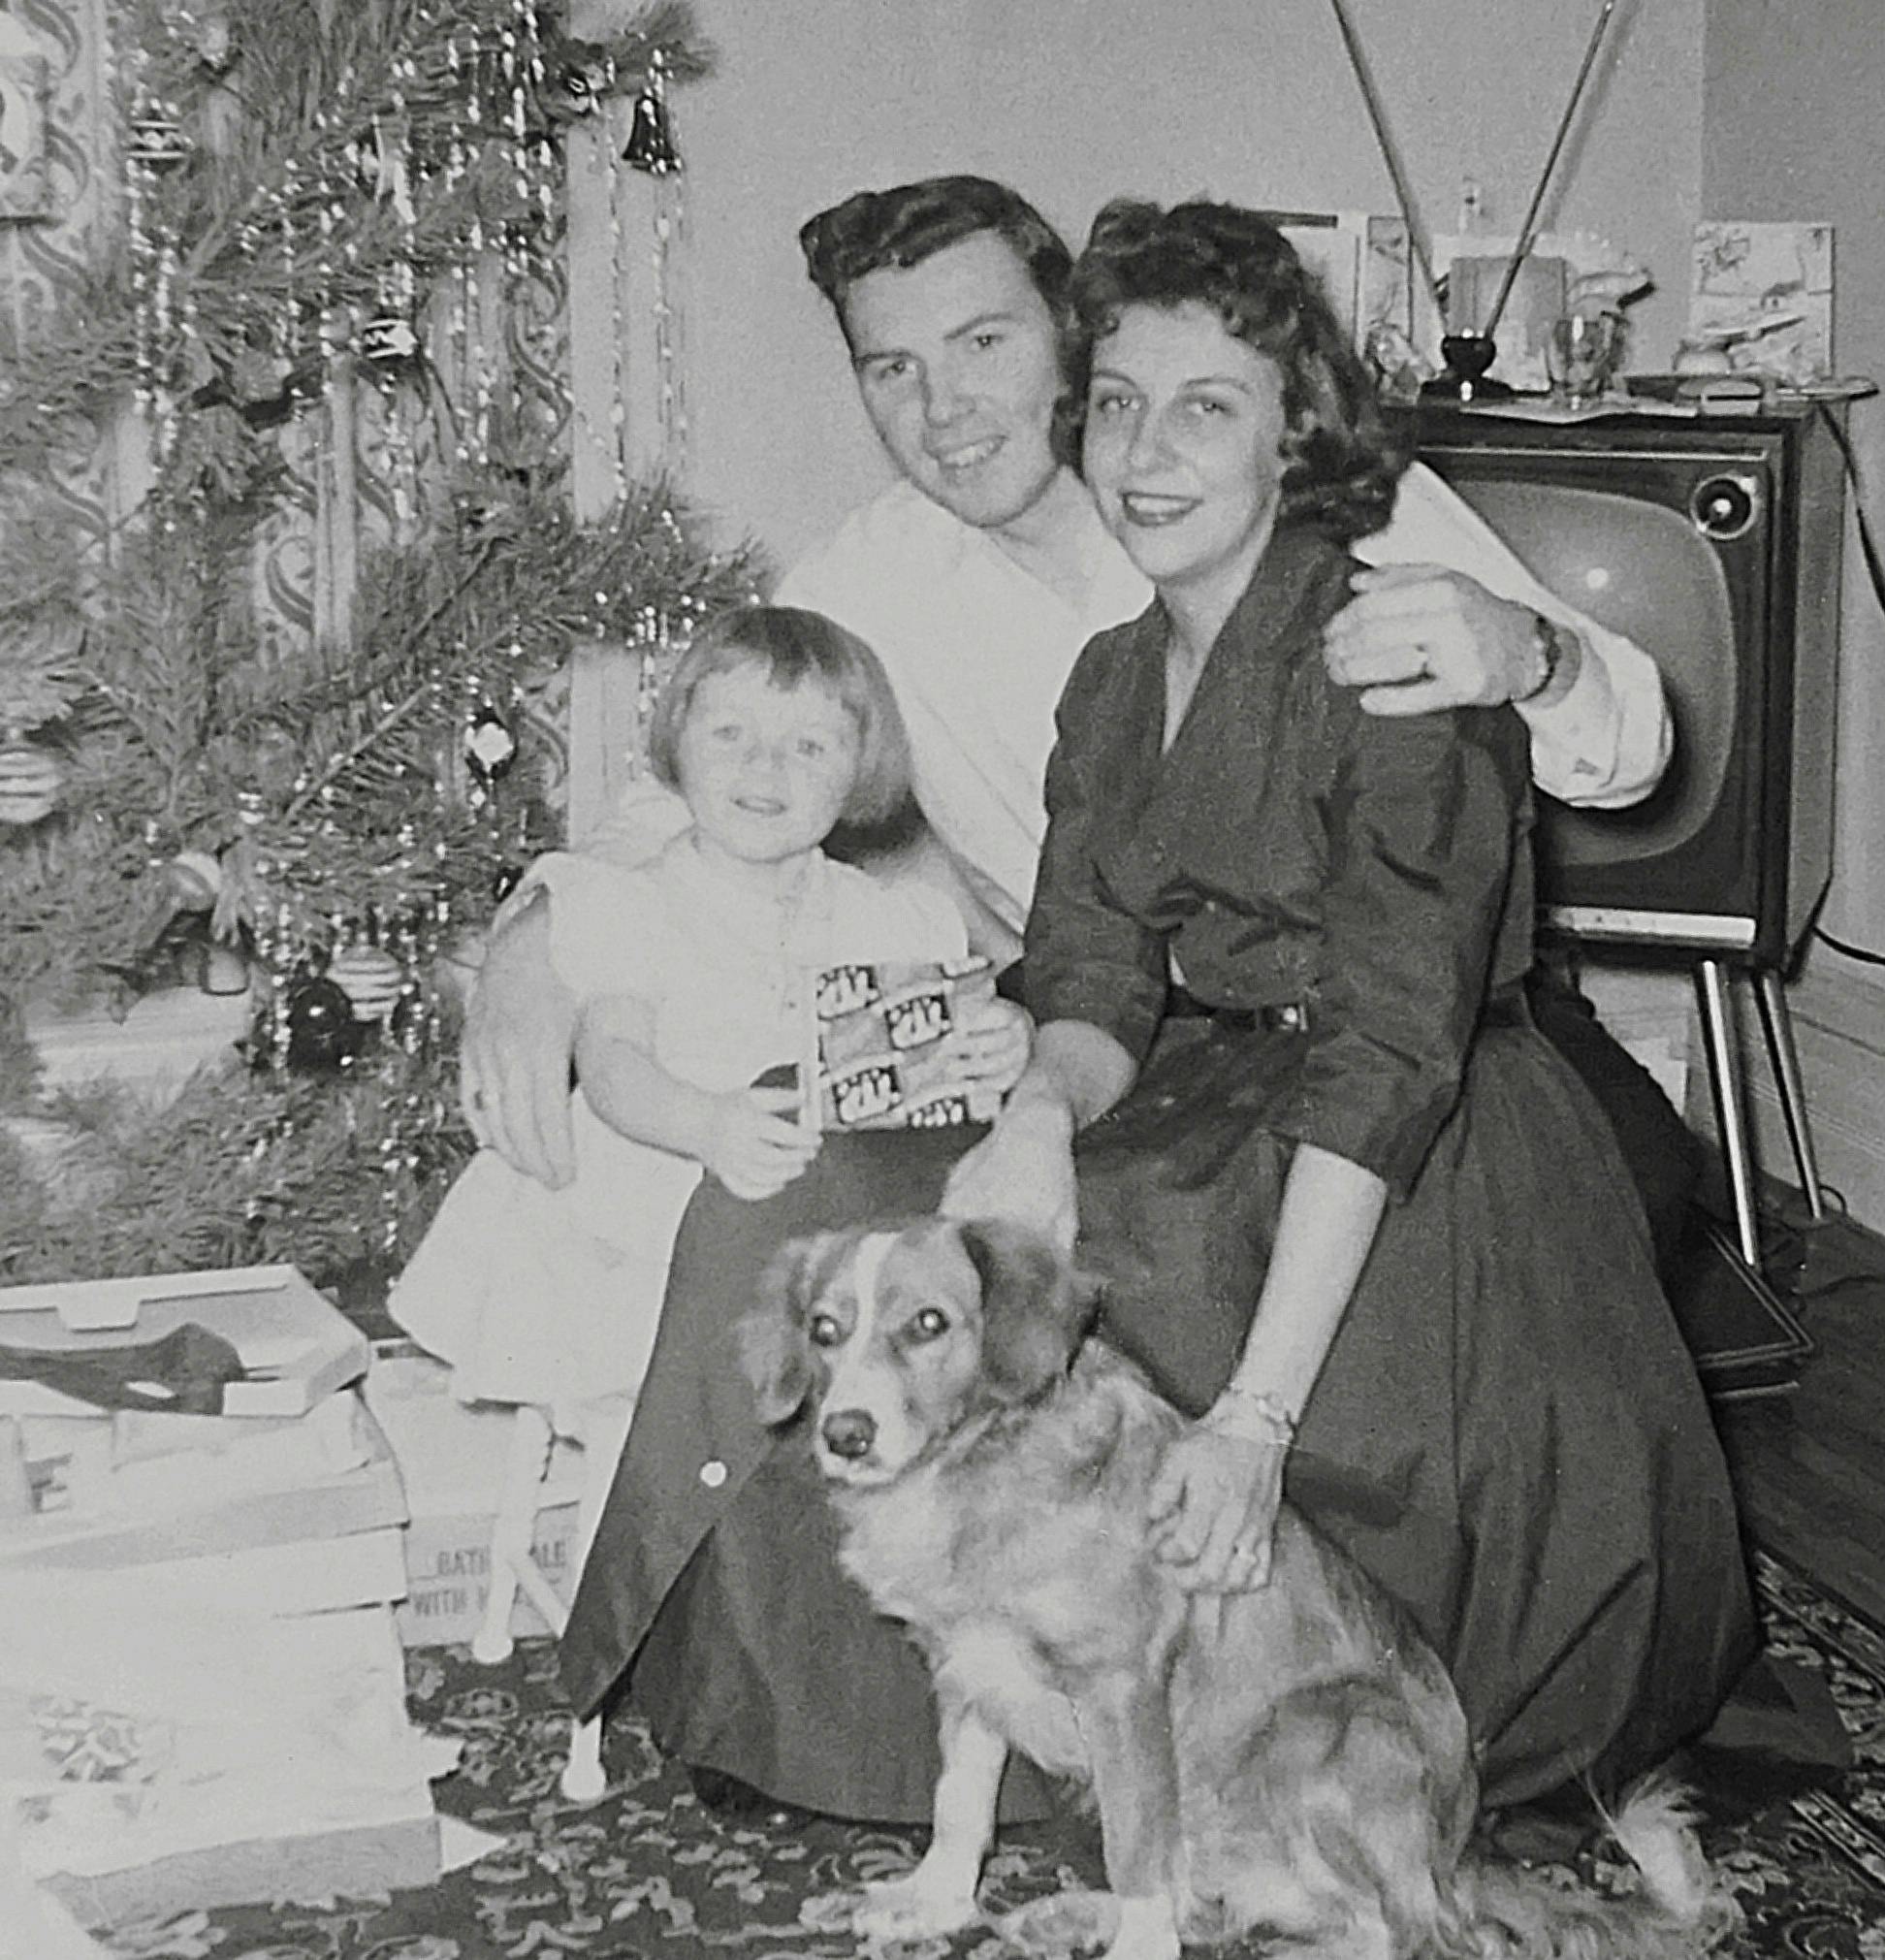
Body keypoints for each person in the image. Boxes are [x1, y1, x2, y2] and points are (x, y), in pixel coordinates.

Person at [548, 197, 1801, 1838]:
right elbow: (1086, 965)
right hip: (1193, 1073)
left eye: (1202, 407)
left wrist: (1255, 1421)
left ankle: (1201, 1698)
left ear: (1296, 431)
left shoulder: (1391, 627)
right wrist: (1042, 1116)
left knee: (1103, 1290)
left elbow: (1395, 1035)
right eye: (1121, 405)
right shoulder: (1099, 668)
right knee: (886, 1224)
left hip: (1410, 1124)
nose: (1140, 445)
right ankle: (861, 1707)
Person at [460, 177, 1698, 1273]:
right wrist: (539, 938)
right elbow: (683, 790)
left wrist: (1529, 655)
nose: (942, 408)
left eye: (982, 340)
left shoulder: (1308, 489)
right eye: (891, 369)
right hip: (1094, 1044)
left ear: (1067, 336)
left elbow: (1632, 744)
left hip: (1410, 1033)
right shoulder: (869, 576)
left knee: (1609, 1219)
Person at [390, 605, 1024, 1437]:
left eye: (809, 747)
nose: (766, 767)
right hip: (652, 1221)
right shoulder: (637, 904)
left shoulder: (888, 918)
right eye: (730, 733)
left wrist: (995, 1039)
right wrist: (706, 1124)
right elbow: (612, 1061)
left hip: (821, 1246)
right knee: (661, 1418)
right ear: (676, 744)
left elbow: (931, 1043)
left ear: (857, 770)